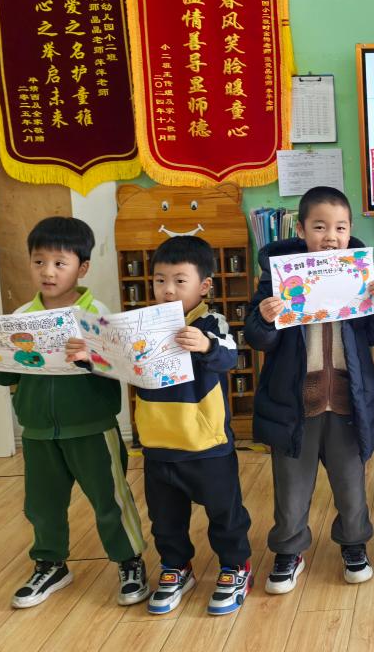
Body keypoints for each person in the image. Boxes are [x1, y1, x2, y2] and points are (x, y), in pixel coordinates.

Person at [70, 236, 253, 615]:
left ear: (204, 286)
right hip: (157, 444)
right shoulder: (139, 324)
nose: (168, 289)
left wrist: (206, 346)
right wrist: (89, 358)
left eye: (179, 281)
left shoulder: (210, 322)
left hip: (206, 444)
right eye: (159, 280)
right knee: (165, 519)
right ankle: (176, 566)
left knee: (225, 512)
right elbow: (115, 363)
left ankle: (236, 566)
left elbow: (230, 357)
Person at [245, 186, 374, 593]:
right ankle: (289, 549)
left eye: (340, 228)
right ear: (300, 229)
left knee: (351, 484)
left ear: (350, 231)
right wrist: (264, 318)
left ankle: (354, 543)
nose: (331, 236)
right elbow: (258, 340)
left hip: (348, 402)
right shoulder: (277, 276)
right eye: (319, 227)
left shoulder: (361, 273)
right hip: (295, 404)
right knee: (291, 487)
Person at [0, 217, 146, 609]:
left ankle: (129, 561)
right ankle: (50, 564)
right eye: (39, 261)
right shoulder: (21, 317)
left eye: (60, 263)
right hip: (38, 431)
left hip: (92, 427)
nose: (48, 271)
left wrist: (91, 356)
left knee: (110, 500)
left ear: (83, 267)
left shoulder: (98, 316)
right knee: (42, 505)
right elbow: (6, 373)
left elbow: (121, 367)